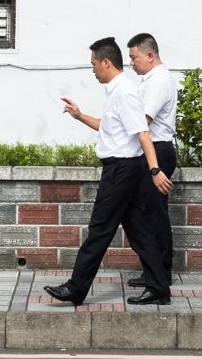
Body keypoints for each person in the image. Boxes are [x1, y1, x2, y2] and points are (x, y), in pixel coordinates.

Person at [46, 37, 174, 306]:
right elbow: (110, 128)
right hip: (123, 169)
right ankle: (159, 288)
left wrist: (155, 170)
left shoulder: (125, 92)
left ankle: (76, 288)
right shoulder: (117, 92)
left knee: (100, 229)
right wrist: (80, 115)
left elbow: (143, 133)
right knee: (139, 231)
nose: (92, 70)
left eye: (94, 64)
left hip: (121, 171)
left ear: (106, 62)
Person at [125, 31, 176, 291]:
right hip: (151, 149)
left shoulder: (158, 81)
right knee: (148, 214)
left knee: (155, 215)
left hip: (157, 151)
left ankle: (161, 273)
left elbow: (142, 121)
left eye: (134, 57)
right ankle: (154, 271)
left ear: (149, 55)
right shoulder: (151, 79)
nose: (131, 63)